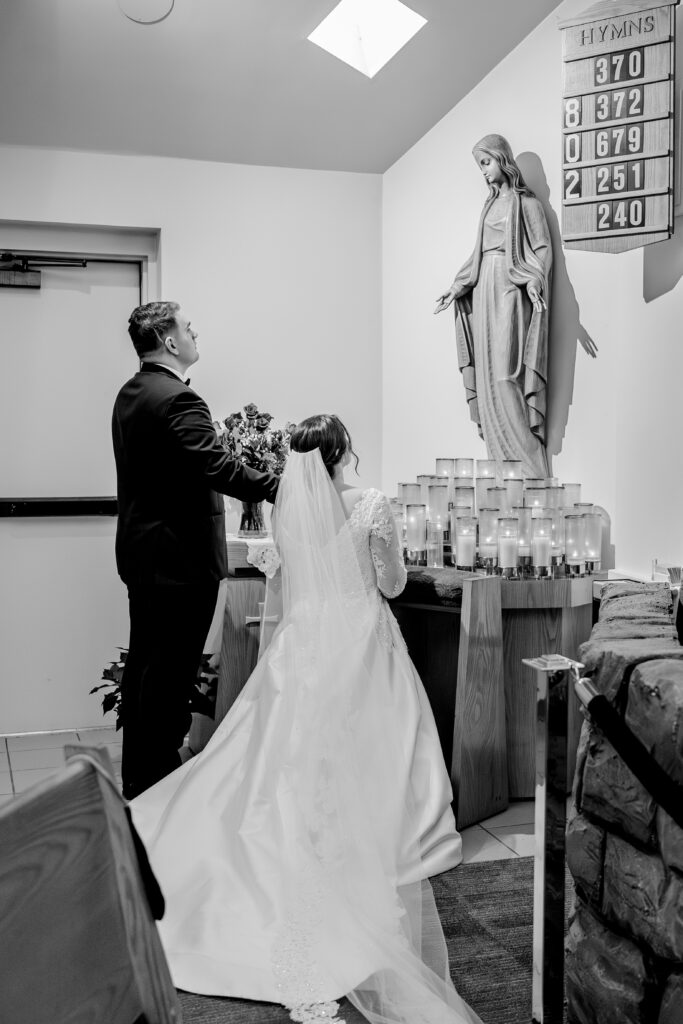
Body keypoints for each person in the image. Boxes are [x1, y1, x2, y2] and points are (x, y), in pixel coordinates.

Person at [130, 414, 482, 1024]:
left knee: (276, 758)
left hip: (303, 642)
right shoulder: (372, 503)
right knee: (383, 738)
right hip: (363, 638)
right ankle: (392, 833)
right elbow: (394, 584)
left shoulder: (284, 513)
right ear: (343, 449)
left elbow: (284, 592)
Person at [112, 301, 279, 801]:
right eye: (187, 328)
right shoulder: (179, 400)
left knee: (146, 671)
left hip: (146, 557)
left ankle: (140, 783)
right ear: (168, 341)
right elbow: (218, 468)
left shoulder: (132, 393)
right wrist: (283, 486)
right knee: (168, 679)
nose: (193, 333)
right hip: (179, 563)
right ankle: (161, 789)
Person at [434, 133, 552, 479]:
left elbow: (542, 248)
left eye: (486, 162)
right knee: (488, 382)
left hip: (510, 285)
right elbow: (478, 253)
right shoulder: (488, 206)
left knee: (506, 375)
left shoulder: (526, 204)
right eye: (479, 165)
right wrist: (458, 286)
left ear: (503, 159)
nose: (483, 171)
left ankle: (530, 473)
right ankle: (503, 473)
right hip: (484, 286)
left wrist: (534, 279)